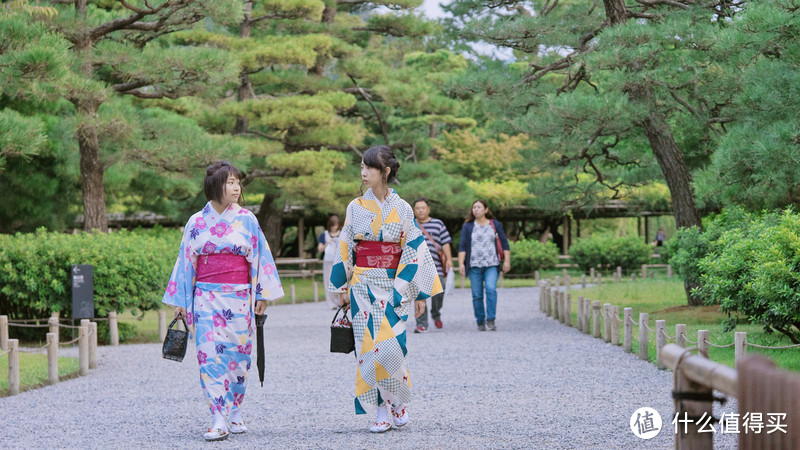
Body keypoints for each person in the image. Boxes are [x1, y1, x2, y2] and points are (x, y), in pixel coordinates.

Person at [162, 161, 284, 442]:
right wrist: (182, 299)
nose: (237, 187)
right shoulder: (196, 222)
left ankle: (236, 409)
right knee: (209, 357)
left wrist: (262, 293)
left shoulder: (248, 220)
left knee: (238, 356)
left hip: (240, 297)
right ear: (215, 185)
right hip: (205, 298)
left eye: (238, 182)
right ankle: (218, 416)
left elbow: (261, 257)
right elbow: (186, 262)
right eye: (231, 182)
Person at [328, 145, 442, 433]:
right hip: (363, 285)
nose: (363, 172)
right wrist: (343, 284)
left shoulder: (403, 208)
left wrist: (413, 291)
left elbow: (413, 249)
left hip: (395, 286)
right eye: (362, 167)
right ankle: (380, 409)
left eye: (370, 168)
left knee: (394, 348)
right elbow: (346, 244)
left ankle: (397, 402)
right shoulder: (355, 207)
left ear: (386, 172)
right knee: (369, 349)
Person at [457, 200, 510, 332]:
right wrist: (461, 263)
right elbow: (462, 245)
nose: (476, 209)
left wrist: (507, 261)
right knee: (477, 295)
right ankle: (480, 320)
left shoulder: (494, 224)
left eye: (479, 207)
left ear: (486, 210)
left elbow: (504, 243)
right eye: (474, 207)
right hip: (474, 265)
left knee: (491, 289)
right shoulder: (468, 226)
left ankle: (491, 319)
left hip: (491, 264)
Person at [412, 197, 453, 333]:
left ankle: (436, 312)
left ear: (428, 209)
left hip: (436, 266)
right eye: (418, 208)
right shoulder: (410, 224)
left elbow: (445, 243)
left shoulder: (438, 224)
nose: (421, 210)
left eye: (423, 208)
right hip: (417, 266)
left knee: (439, 289)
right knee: (419, 294)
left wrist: (449, 259)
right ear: (414, 210)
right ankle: (421, 323)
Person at [317, 214, 342, 309]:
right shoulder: (325, 235)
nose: (334, 227)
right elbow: (320, 249)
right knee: (328, 282)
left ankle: (341, 301)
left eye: (336, 225)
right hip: (328, 261)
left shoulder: (342, 233)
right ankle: (332, 303)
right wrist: (327, 243)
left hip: (339, 260)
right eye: (333, 225)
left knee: (340, 281)